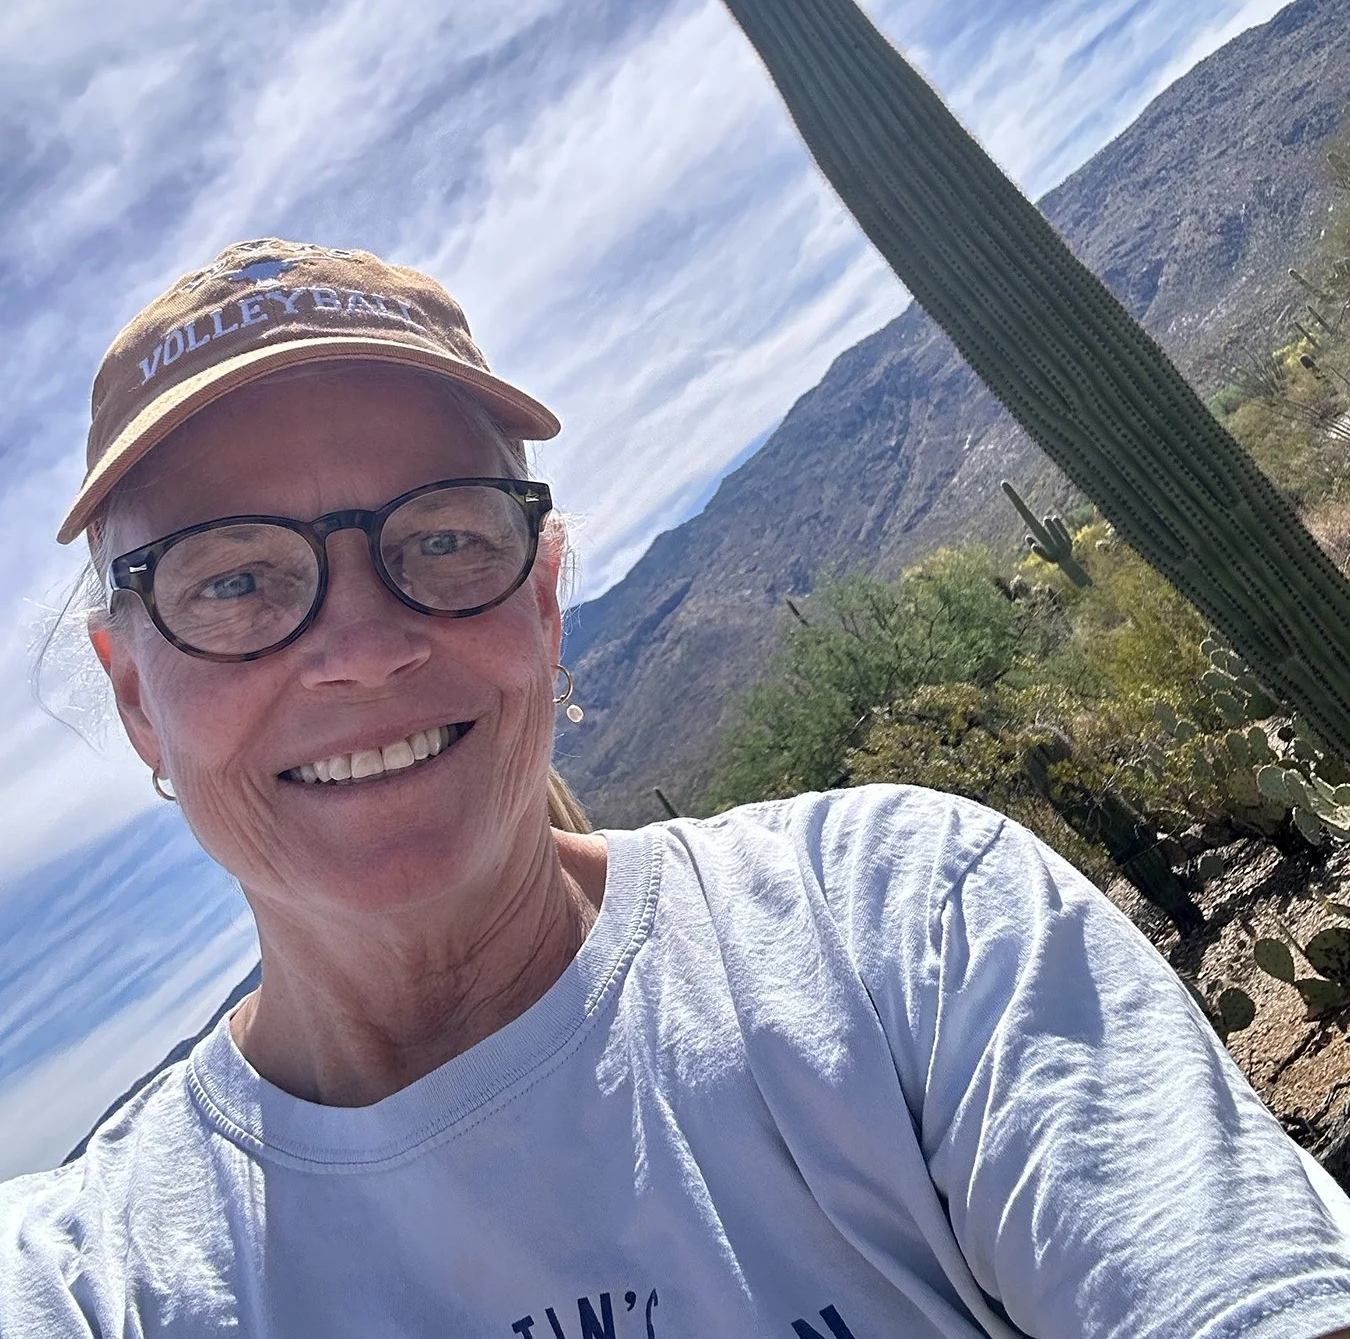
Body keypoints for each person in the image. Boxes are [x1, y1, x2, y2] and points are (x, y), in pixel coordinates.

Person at [2, 236, 1350, 1339]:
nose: (361, 647)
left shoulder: (901, 926)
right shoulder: (91, 1286)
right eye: (234, 579)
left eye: (442, 536)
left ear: (542, 599)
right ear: (137, 698)